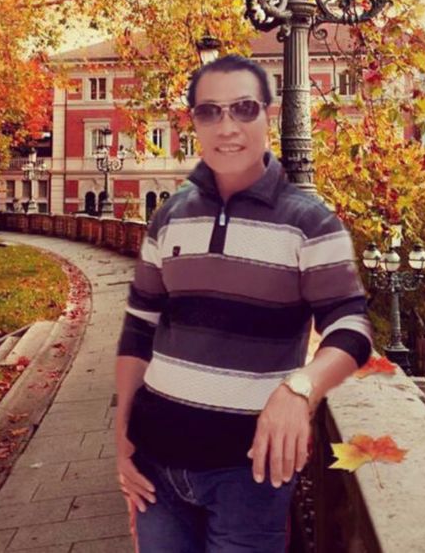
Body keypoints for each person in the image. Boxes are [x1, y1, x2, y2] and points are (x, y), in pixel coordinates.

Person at [115, 54, 373, 553]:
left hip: (249, 471)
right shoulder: (169, 216)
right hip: (156, 467)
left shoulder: (311, 222)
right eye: (209, 111)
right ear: (193, 123)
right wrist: (122, 437)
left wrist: (299, 389)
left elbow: (352, 327)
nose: (227, 126)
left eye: (244, 108)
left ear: (269, 117)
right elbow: (138, 329)